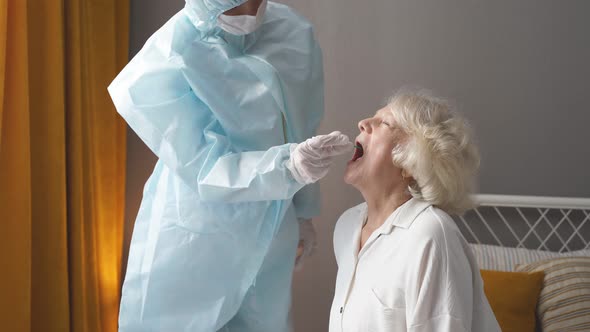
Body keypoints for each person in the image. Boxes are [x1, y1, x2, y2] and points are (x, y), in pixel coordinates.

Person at [108, 0, 352, 331]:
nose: (250, 7)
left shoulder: (293, 32)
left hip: (273, 228)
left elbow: (300, 126)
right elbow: (205, 167)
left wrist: (302, 208)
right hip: (197, 234)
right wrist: (288, 169)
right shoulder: (169, 56)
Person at [330, 89, 500, 332]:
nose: (363, 123)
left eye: (385, 123)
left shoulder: (430, 235)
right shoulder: (347, 227)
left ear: (411, 161)